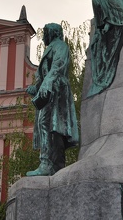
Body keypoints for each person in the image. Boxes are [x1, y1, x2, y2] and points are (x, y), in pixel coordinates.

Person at [26, 23, 79, 176]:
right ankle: (54, 165)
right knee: (52, 127)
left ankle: (47, 164)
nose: (42, 37)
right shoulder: (50, 48)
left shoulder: (60, 46)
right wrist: (36, 88)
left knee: (48, 124)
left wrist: (46, 84)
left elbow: (58, 66)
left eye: (45, 33)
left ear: (52, 33)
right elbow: (45, 75)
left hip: (56, 90)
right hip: (49, 91)